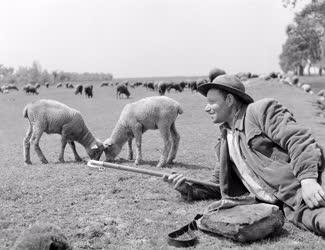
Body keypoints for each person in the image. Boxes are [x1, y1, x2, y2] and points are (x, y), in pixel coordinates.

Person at [163, 74, 325, 236]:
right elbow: (217, 185)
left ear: (229, 100)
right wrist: (187, 188)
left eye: (212, 102)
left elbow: (299, 139)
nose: (207, 108)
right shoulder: (223, 142)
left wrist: (308, 180)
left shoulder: (259, 111)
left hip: (306, 189)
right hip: (286, 207)